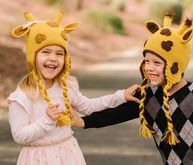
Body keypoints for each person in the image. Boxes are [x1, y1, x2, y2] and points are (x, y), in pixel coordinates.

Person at [72, 14, 193, 165]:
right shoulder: (148, 96)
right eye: (147, 61)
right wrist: (84, 121)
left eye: (157, 63)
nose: (149, 68)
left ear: (175, 66)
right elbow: (115, 114)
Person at [8, 11, 140, 165]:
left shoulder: (66, 86)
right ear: (32, 57)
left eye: (59, 53)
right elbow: (19, 136)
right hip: (38, 158)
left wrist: (121, 96)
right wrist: (47, 120)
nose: (53, 58)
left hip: (68, 154)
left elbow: (89, 107)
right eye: (45, 52)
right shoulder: (22, 96)